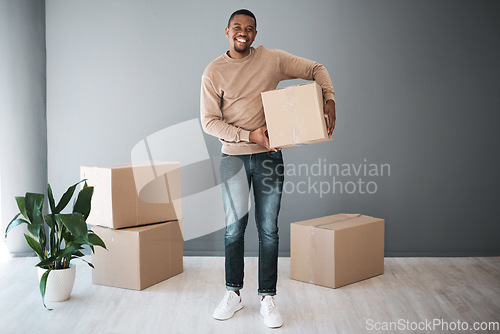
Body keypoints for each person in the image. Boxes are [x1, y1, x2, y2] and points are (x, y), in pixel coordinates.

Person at [200, 9, 336, 329]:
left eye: (249, 29)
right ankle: (233, 293)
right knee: (234, 229)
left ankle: (267, 298)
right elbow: (209, 122)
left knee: (269, 230)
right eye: (237, 28)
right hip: (232, 158)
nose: (242, 33)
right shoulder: (214, 71)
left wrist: (328, 99)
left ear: (255, 34)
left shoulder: (271, 59)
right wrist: (250, 136)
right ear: (227, 31)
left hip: (268, 159)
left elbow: (316, 68)